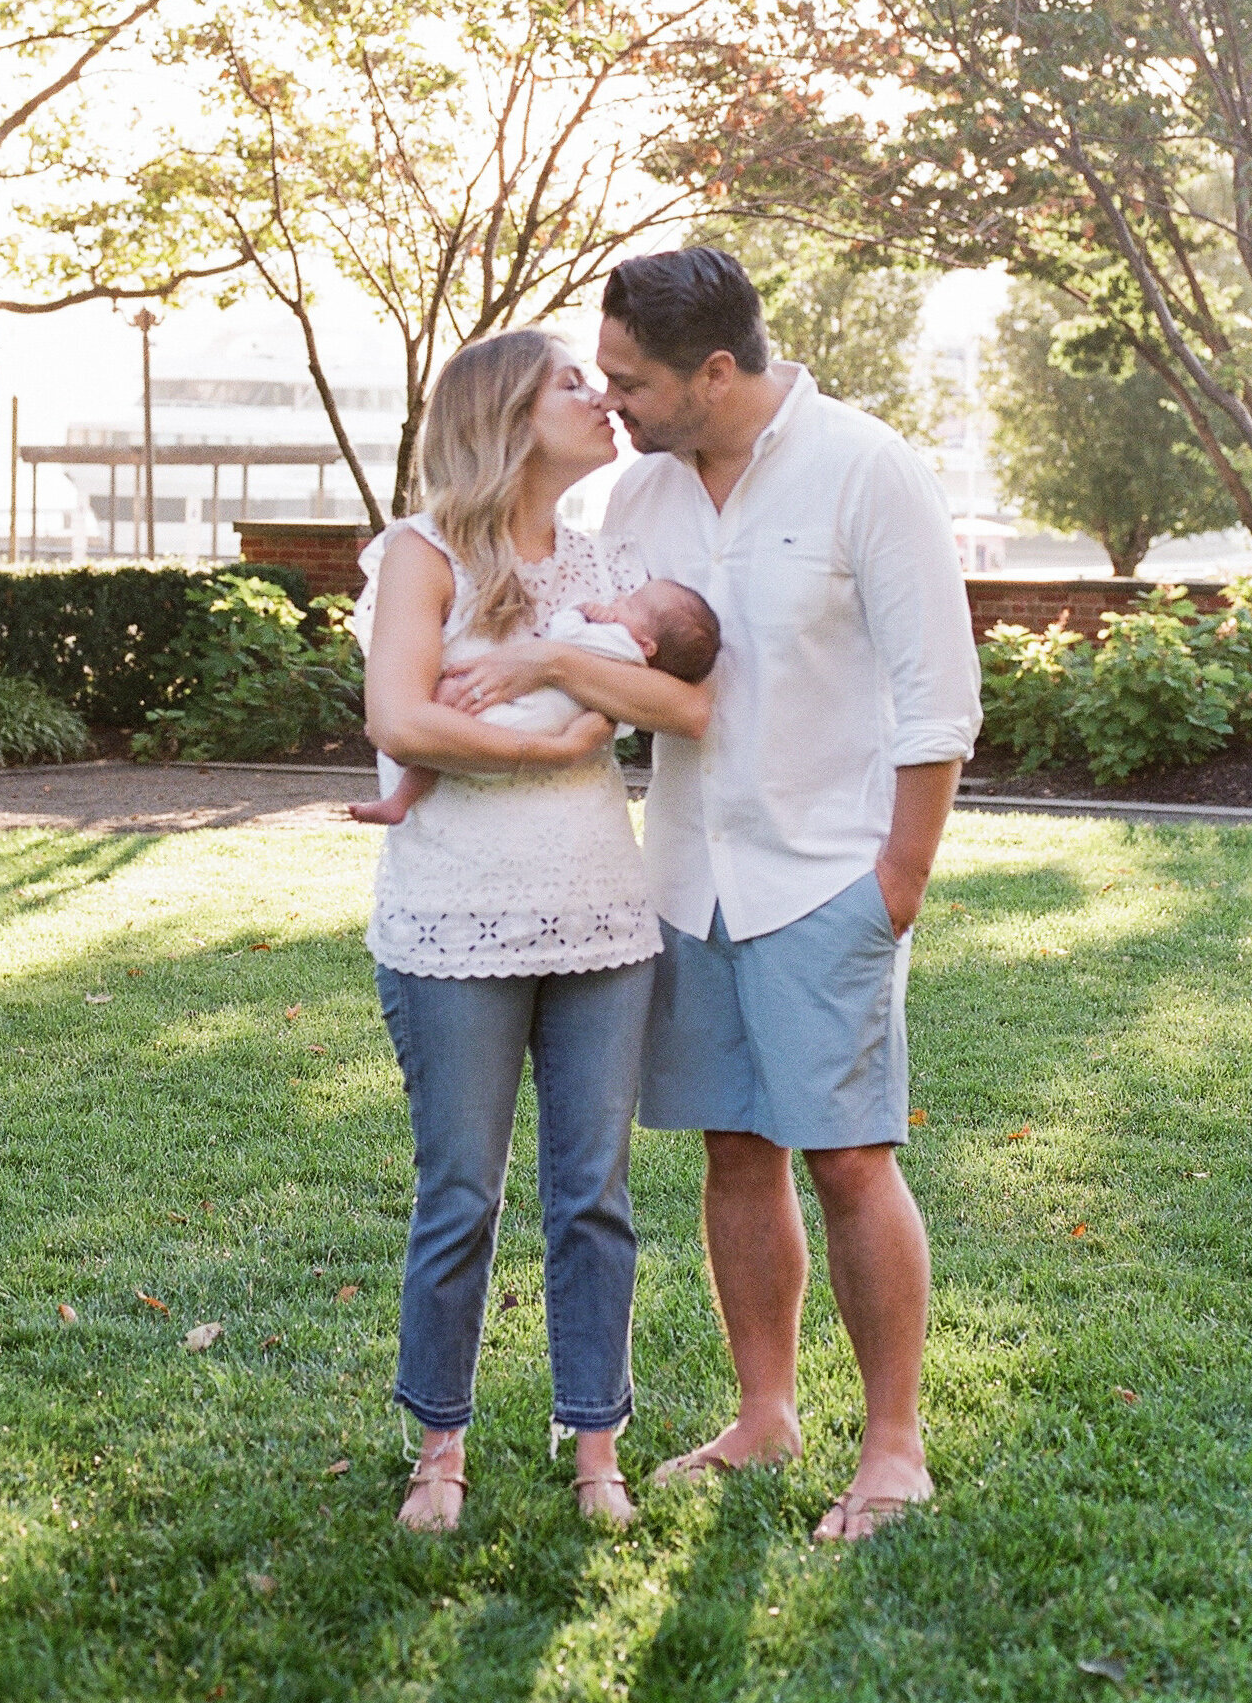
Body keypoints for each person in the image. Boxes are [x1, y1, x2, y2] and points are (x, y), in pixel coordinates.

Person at [439, 248, 980, 1541]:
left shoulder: (866, 466)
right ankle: (765, 1413)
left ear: (717, 371)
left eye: (630, 380)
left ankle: (893, 1447)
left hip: (825, 877)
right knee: (737, 1154)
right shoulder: (640, 499)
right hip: (686, 878)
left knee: (849, 1157)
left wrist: (896, 878)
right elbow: (632, 672)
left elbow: (938, 694)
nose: (609, 398)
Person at [355, 330, 716, 1532]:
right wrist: (561, 740)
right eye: (574, 383)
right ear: (508, 414)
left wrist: (550, 669)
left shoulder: (605, 560)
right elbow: (403, 720)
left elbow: (690, 700)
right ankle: (438, 1450)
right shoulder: (420, 554)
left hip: (602, 920)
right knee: (460, 1191)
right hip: (451, 916)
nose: (603, 397)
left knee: (593, 1194)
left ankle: (595, 1444)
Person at [351, 578, 720, 823]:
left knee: (449, 702)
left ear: (646, 645)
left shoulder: (616, 643)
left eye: (632, 604)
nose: (619, 599)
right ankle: (401, 781)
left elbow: (561, 637)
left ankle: (401, 780)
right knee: (448, 725)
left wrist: (580, 610)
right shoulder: (639, 671)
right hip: (545, 726)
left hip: (524, 718)